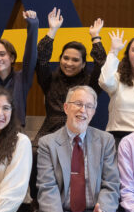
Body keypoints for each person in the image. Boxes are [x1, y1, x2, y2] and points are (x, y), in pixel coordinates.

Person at [34, 8, 108, 141]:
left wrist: (95, 37)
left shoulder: (90, 84)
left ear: (84, 64)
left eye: (75, 60)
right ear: (60, 58)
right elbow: (41, 58)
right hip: (49, 136)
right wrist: (52, 30)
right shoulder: (49, 80)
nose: (69, 63)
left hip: (80, 137)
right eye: (66, 58)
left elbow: (102, 64)